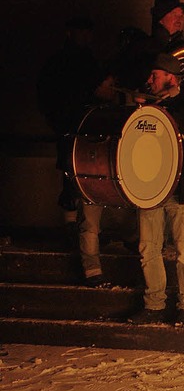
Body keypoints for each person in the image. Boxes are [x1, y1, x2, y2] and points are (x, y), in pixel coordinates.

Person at [128, 53, 184, 328]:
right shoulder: (146, 105)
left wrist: (165, 108)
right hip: (151, 187)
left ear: (171, 78)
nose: (149, 80)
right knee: (148, 247)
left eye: (155, 76)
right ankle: (154, 305)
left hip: (181, 188)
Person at [36, 17, 107, 242]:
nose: (87, 37)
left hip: (87, 127)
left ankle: (85, 230)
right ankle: (73, 228)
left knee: (87, 175)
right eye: (83, 32)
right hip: (71, 126)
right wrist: (58, 120)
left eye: (89, 32)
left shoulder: (87, 60)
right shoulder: (61, 62)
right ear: (70, 33)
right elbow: (46, 94)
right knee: (72, 174)